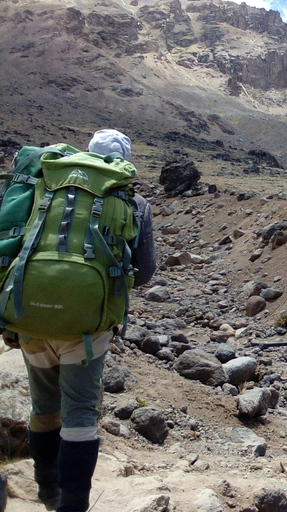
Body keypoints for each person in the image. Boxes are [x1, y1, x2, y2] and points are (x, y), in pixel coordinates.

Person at [3, 130, 157, 512]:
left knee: (44, 408)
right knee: (81, 413)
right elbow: (146, 271)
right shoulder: (131, 201)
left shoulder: (46, 187)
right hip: (87, 327)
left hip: (30, 316)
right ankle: (73, 504)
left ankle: (47, 490)